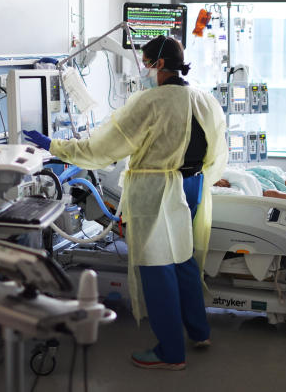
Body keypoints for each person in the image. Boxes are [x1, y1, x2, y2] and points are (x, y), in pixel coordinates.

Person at [24, 36, 228, 370]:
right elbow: (217, 146)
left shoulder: (150, 102)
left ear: (159, 64)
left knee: (157, 265)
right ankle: (199, 330)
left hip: (157, 190)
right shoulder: (203, 98)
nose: (143, 70)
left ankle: (171, 353)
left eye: (145, 63)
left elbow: (101, 149)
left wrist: (54, 145)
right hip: (191, 185)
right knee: (183, 258)